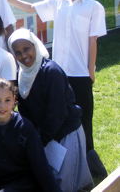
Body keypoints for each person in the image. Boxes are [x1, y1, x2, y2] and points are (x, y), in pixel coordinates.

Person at [0, 0, 107, 178]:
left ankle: (88, 160)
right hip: (59, 73)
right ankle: (58, 160)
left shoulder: (94, 7)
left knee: (83, 119)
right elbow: (31, 8)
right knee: (55, 116)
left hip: (80, 73)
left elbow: (92, 41)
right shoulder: (58, 1)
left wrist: (90, 70)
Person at [8, 28, 92, 192]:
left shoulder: (51, 71)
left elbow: (57, 113)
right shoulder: (22, 73)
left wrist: (39, 141)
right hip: (45, 135)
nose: (24, 56)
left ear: (35, 46)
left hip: (65, 133)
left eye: (27, 49)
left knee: (63, 183)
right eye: (17, 53)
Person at [0, 78, 62, 192]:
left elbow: (41, 167)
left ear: (14, 100)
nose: (2, 106)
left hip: (24, 185)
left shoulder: (25, 127)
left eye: (7, 100)